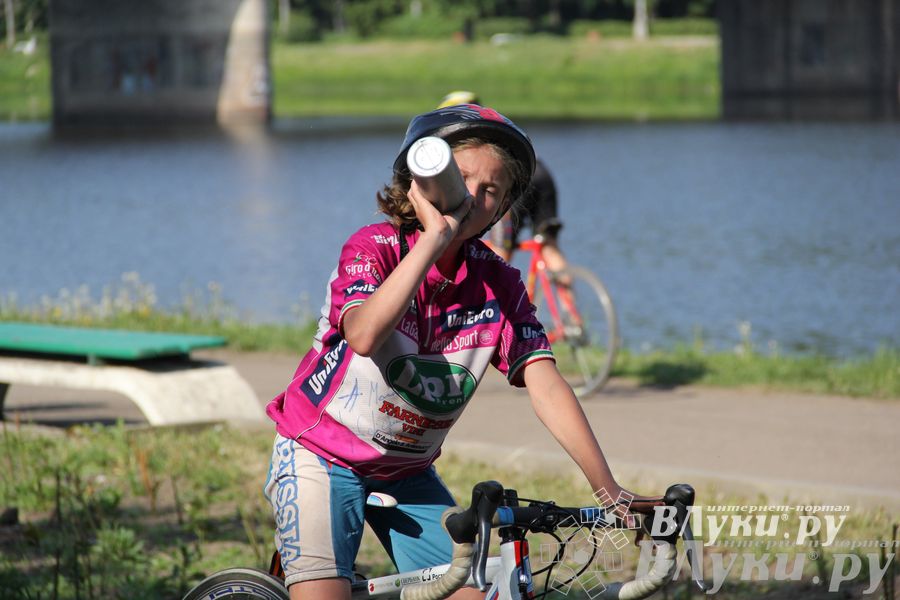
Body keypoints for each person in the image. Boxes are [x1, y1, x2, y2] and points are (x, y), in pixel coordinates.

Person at [263, 104, 646, 600]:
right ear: (421, 180)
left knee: (476, 593)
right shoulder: (374, 246)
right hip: (319, 454)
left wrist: (607, 488)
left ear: (505, 208)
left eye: (493, 191)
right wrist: (433, 238)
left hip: (408, 471)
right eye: (462, 178)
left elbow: (546, 384)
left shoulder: (499, 282)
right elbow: (363, 335)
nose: (475, 198)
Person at [438, 91, 570, 280]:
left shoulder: (462, 136)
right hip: (542, 172)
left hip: (513, 180)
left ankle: (498, 297)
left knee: (501, 249)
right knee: (549, 246)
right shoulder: (492, 122)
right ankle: (570, 308)